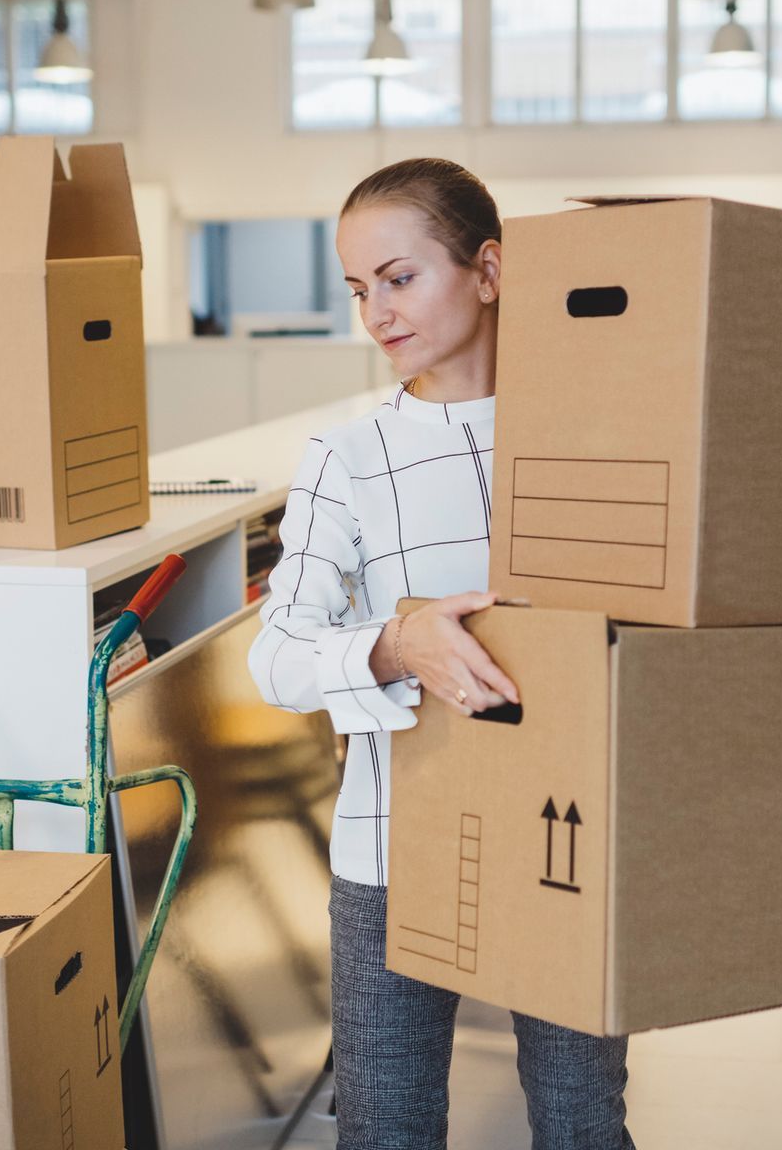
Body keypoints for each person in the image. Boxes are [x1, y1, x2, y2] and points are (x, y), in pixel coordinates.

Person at [247, 157, 637, 1149]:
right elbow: (278, 654)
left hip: (569, 837)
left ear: (489, 270)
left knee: (586, 1122)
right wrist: (392, 642)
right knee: (384, 1130)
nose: (375, 310)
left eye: (400, 276)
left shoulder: (607, 436)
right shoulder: (348, 459)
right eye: (357, 287)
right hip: (391, 850)